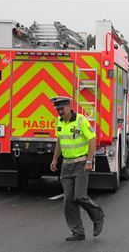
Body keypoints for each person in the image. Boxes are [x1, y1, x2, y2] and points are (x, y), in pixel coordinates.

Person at [49, 96, 104, 241]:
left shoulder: (81, 120)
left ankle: (97, 215)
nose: (60, 111)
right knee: (68, 200)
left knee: (79, 196)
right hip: (66, 165)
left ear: (69, 107)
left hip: (81, 163)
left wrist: (89, 161)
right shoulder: (58, 122)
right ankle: (78, 231)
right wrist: (55, 159)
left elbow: (92, 139)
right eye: (57, 109)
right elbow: (59, 141)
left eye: (62, 108)